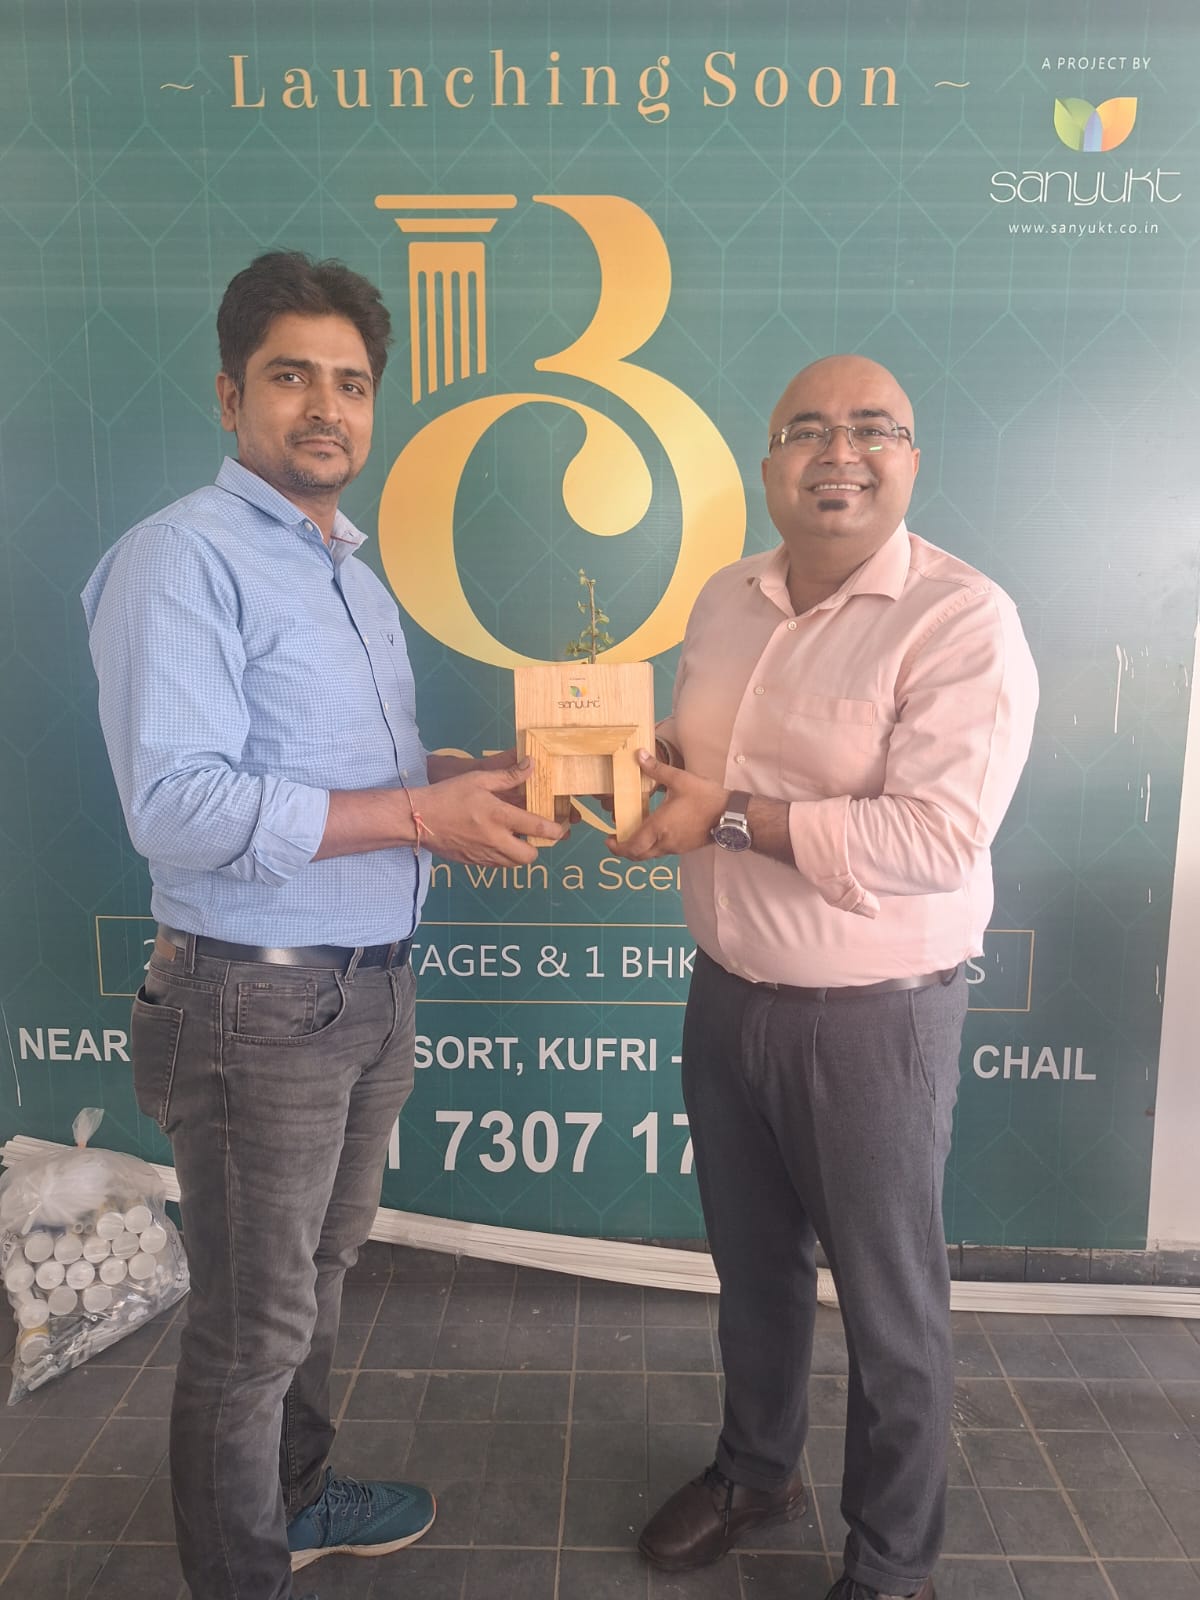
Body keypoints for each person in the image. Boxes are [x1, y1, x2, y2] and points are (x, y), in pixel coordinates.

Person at [81, 250, 565, 1600]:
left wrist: (459, 781)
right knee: (252, 1330)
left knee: (321, 1277)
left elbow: (345, 777)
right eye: (292, 376)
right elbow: (176, 805)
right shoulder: (183, 557)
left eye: (351, 383)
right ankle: (242, 1570)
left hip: (362, 990)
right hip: (254, 1003)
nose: (326, 407)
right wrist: (419, 816)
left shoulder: (348, 572)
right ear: (232, 395)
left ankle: (294, 1500)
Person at [611, 355, 1038, 1600]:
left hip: (873, 1023)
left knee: (891, 1309)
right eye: (807, 430)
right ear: (769, 465)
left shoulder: (962, 619)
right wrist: (622, 766)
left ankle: (893, 1562)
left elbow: (935, 839)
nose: (838, 452)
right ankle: (756, 1471)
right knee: (753, 1270)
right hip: (727, 994)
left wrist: (729, 815)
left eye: (871, 429)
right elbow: (700, 762)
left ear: (911, 458)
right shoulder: (725, 600)